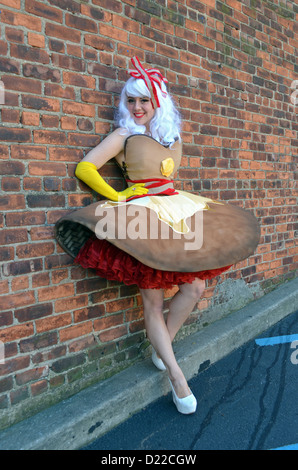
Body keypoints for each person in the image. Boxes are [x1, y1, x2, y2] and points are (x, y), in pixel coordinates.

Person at [55, 57, 260, 415]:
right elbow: (85, 166)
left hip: (177, 211)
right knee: (151, 300)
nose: (136, 108)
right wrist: (117, 196)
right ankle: (177, 377)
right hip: (143, 217)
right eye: (131, 101)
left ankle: (160, 344)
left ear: (157, 103)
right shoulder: (124, 134)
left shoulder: (170, 135)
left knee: (194, 287)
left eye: (143, 101)